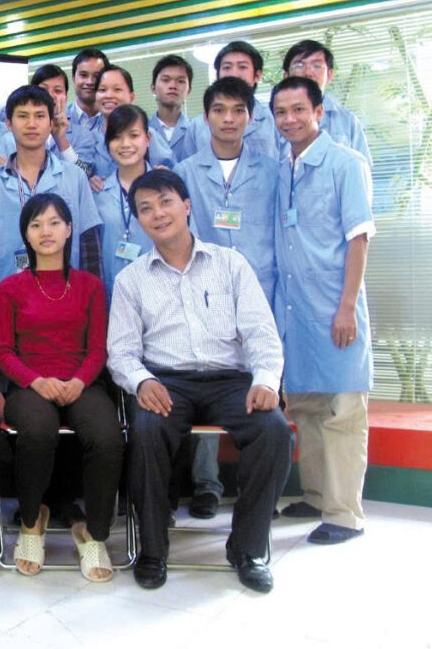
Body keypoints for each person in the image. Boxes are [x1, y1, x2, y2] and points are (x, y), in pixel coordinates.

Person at [107, 169, 292, 593]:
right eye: (146, 208)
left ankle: (247, 549)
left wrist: (266, 380)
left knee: (274, 432)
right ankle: (153, 550)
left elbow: (262, 332)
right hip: (167, 381)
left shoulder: (230, 264)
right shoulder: (131, 280)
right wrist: (142, 382)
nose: (158, 214)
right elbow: (121, 352)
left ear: (187, 206)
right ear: (138, 220)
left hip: (230, 379)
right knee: (146, 432)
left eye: (166, 202)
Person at [0, 193, 122, 582]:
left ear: (69, 230)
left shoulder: (90, 285)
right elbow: (3, 351)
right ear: (26, 235)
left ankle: (93, 533)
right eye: (36, 225)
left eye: (54, 223)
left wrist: (79, 380)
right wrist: (35, 380)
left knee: (106, 437)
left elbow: (98, 348)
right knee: (37, 430)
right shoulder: (10, 288)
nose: (45, 232)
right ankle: (31, 522)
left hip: (83, 382)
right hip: (29, 384)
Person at [271, 76, 374, 545]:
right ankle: (316, 496)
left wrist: (347, 306)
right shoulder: (284, 168)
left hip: (336, 308)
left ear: (318, 112)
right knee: (307, 408)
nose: (289, 119)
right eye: (281, 112)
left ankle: (345, 514)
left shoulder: (345, 163)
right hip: (296, 312)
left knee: (343, 411)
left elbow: (359, 238)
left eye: (298, 110)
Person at [173, 77, 281, 519]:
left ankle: (260, 497)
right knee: (207, 380)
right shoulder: (185, 171)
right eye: (219, 110)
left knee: (264, 390)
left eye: (238, 110)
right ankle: (206, 485)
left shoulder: (272, 170)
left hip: (261, 291)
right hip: (206, 293)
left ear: (251, 117)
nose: (229, 119)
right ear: (206, 117)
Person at [0, 85, 102, 294]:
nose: (31, 124)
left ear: (51, 123)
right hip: (7, 296)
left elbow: (89, 242)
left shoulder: (74, 177)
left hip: (66, 296)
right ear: (9, 124)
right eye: (23, 116)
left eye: (40, 116)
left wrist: (93, 298)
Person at [92, 104, 153, 300]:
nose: (125, 144)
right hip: (112, 297)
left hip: (159, 296)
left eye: (134, 135)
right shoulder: (97, 194)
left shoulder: (166, 189)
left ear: (148, 139)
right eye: (117, 137)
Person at [281, 39, 372, 165]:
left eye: (316, 66)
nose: (308, 73)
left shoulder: (347, 120)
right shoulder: (270, 119)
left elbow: (363, 167)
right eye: (299, 66)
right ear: (286, 76)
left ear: (329, 75)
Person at [187, 41, 279, 161]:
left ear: (257, 75)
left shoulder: (274, 118)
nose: (234, 74)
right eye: (227, 67)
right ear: (217, 75)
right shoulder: (197, 126)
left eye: (242, 67)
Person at [85, 65, 174, 185]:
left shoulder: (146, 134)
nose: (109, 95)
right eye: (102, 90)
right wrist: (88, 180)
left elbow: (172, 171)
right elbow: (82, 169)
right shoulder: (88, 137)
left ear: (131, 97)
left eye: (117, 89)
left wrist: (166, 174)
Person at [148, 55, 195, 162]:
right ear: (153, 88)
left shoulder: (196, 131)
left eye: (181, 81)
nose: (173, 86)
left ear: (189, 91)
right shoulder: (142, 130)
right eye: (166, 80)